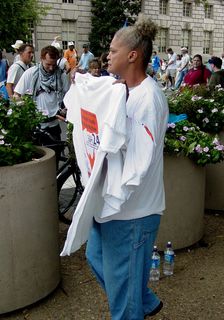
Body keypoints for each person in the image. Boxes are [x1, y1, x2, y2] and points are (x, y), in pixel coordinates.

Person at [85, 14, 169, 320]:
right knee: (95, 257)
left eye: (113, 51)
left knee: (123, 304)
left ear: (132, 56)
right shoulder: (121, 90)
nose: (108, 55)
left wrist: (111, 198)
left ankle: (136, 302)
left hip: (131, 212)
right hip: (111, 206)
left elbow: (139, 165)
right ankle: (143, 300)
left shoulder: (147, 99)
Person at [14, 46, 69, 145]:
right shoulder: (30, 74)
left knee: (55, 157)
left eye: (54, 64)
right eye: (48, 64)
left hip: (54, 125)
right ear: (41, 59)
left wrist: (65, 109)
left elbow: (68, 98)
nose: (51, 68)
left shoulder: (61, 75)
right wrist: (24, 108)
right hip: (35, 125)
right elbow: (16, 95)